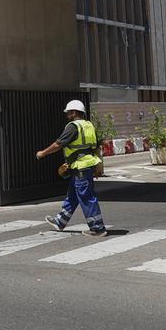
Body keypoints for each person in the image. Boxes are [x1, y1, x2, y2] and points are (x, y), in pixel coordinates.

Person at [36, 100, 107, 237]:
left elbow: (58, 144)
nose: (67, 115)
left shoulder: (73, 126)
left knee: (86, 197)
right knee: (73, 195)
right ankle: (60, 221)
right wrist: (99, 166)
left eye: (68, 112)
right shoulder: (88, 125)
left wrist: (43, 153)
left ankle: (98, 228)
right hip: (85, 165)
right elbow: (97, 146)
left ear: (74, 112)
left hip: (80, 166)